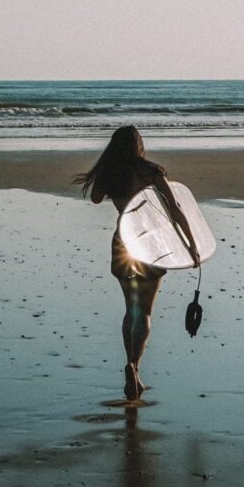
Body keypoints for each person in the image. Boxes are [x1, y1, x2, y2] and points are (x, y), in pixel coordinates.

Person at [76, 125, 200, 401]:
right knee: (144, 311)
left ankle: (130, 364)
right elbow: (175, 208)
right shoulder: (151, 171)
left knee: (130, 309)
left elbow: (96, 198)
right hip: (149, 246)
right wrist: (192, 245)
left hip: (123, 242)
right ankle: (135, 365)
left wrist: (108, 173)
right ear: (139, 145)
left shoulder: (111, 174)